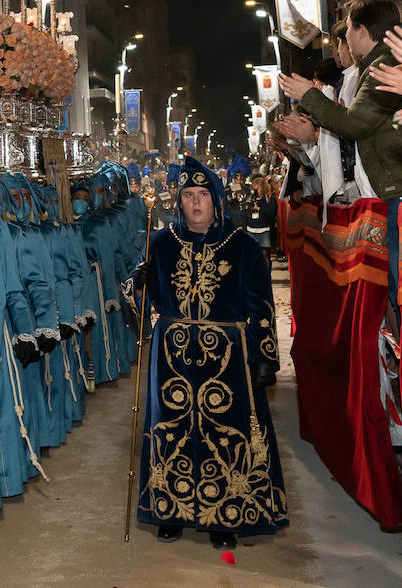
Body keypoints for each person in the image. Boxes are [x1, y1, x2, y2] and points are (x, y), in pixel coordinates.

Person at [134, 156, 286, 548]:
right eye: (188, 195)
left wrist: (264, 357)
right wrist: (140, 283)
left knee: (226, 434)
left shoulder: (243, 247)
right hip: (172, 359)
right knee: (171, 432)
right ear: (179, 201)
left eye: (203, 194)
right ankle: (169, 511)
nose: (195, 202)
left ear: (216, 201)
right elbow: (140, 303)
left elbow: (262, 305)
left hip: (227, 359)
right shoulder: (162, 243)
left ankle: (225, 515)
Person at [280, 0, 402, 305]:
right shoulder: (380, 62)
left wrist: (309, 97)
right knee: (395, 286)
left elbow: (355, 123)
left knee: (401, 289)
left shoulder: (385, 65)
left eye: (349, 29)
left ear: (362, 31)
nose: (345, 38)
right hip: (397, 184)